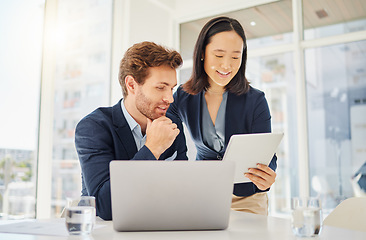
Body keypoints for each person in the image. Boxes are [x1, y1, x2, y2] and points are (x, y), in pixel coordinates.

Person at [168, 16, 277, 215]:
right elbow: (173, 151)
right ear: (202, 53)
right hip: (202, 194)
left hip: (247, 199)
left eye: (235, 57)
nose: (227, 65)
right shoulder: (182, 98)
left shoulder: (256, 100)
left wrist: (267, 177)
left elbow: (266, 153)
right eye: (219, 55)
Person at [75, 41, 188, 220]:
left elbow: (183, 187)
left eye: (171, 88)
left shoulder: (172, 124)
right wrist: (152, 149)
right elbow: (105, 206)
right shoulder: (94, 127)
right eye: (160, 87)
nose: (170, 99)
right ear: (132, 85)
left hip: (158, 224)